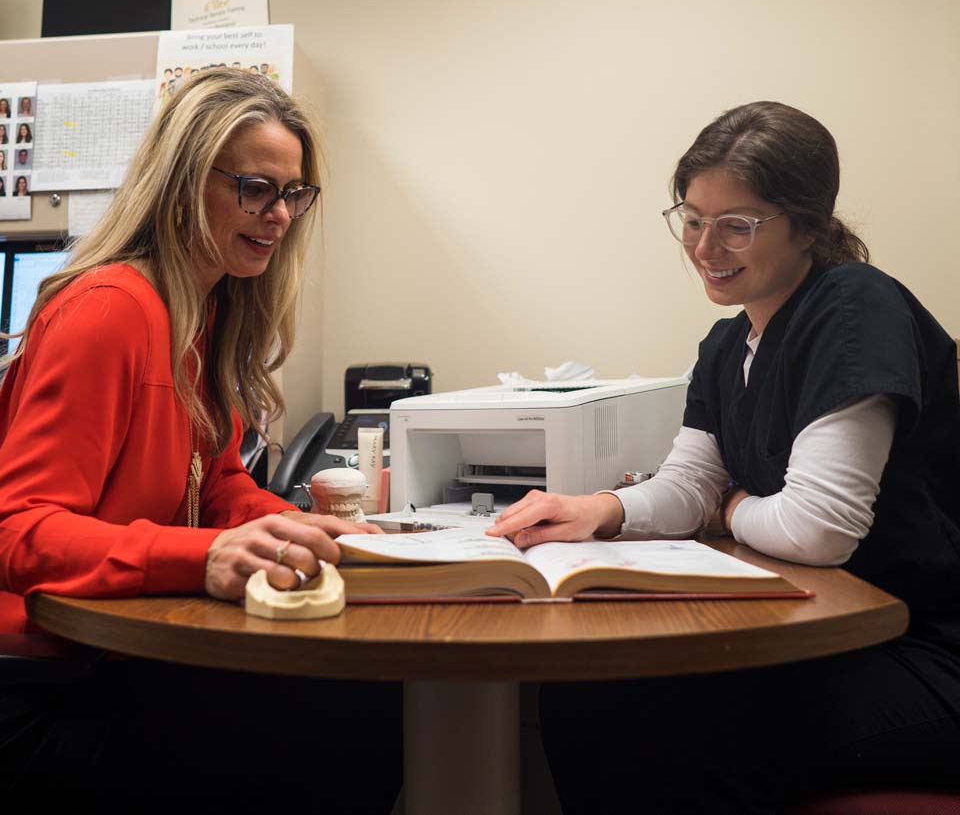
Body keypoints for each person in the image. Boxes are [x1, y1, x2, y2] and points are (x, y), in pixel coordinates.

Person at [488, 101, 960, 813]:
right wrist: (597, 511)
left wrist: (729, 505)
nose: (705, 246)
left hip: (923, 650)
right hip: (827, 642)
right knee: (586, 701)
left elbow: (817, 530)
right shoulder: (725, 345)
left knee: (655, 729)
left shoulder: (856, 310)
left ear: (808, 224)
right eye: (693, 217)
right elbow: (689, 483)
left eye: (736, 225)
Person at [0, 70, 401, 813]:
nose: (279, 215)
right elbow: (20, 532)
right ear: (184, 181)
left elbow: (214, 486)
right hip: (41, 687)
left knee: (364, 707)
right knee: (347, 728)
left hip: (121, 653)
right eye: (255, 188)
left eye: (293, 193)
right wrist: (202, 555)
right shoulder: (109, 310)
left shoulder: (203, 316)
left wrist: (288, 526)